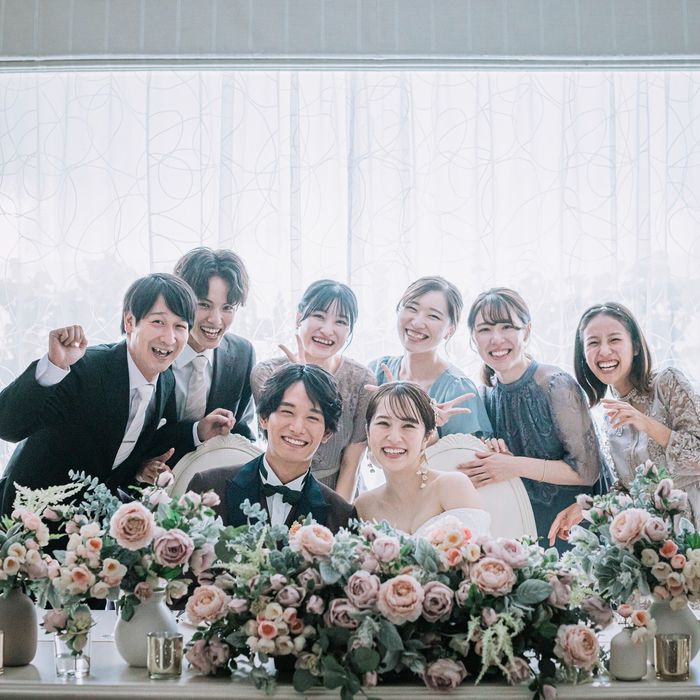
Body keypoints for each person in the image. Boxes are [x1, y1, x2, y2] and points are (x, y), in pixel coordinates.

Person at [0, 273, 234, 515]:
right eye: (158, 322)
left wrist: (198, 431)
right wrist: (54, 366)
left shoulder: (166, 380)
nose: (169, 338)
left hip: (91, 524)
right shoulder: (83, 367)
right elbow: (7, 426)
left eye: (180, 326)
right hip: (27, 515)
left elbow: (138, 442)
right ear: (130, 321)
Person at [460, 288, 606, 552]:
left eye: (507, 327)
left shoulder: (556, 385)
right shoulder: (484, 395)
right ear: (473, 337)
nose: (496, 339)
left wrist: (513, 465)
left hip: (570, 528)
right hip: (519, 531)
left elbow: (587, 471)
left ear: (526, 331)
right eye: (485, 329)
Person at [549, 302, 700, 543]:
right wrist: (586, 508)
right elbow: (629, 491)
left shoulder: (667, 383)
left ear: (636, 346)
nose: (604, 351)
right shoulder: (607, 416)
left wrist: (647, 424)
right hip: (654, 540)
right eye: (593, 343)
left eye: (614, 339)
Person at [188, 363, 355, 533]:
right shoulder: (208, 487)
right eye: (287, 412)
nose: (297, 428)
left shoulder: (341, 516)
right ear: (264, 418)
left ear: (327, 433)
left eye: (312, 418)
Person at [251, 280, 373, 500]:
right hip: (279, 488)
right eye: (319, 316)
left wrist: (338, 514)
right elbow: (277, 445)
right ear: (299, 317)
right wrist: (299, 378)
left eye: (340, 321)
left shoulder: (362, 381)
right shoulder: (266, 373)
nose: (327, 330)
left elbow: (352, 463)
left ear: (349, 330)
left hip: (339, 492)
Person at [147, 248, 256, 470]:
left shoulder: (242, 354)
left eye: (227, 308)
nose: (215, 320)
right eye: (204, 305)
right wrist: (196, 432)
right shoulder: (151, 349)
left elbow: (243, 433)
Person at [355, 381, 488, 537]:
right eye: (383, 423)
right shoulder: (364, 506)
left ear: (427, 436)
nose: (394, 438)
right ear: (368, 432)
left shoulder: (452, 486)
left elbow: (477, 549)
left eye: (408, 426)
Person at [370, 276, 492, 440]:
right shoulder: (377, 371)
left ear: (449, 331)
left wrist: (431, 429)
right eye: (412, 308)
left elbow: (465, 454)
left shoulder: (457, 390)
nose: (417, 323)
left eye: (433, 316)